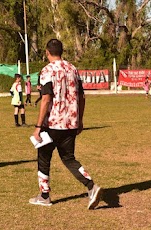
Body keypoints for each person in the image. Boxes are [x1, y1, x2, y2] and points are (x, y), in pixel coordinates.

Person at [29, 39, 102, 209]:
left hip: (53, 123)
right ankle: (92, 187)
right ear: (62, 51)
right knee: (69, 158)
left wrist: (38, 126)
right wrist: (80, 120)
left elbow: (46, 98)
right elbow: (82, 97)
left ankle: (44, 195)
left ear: (47, 52)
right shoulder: (73, 69)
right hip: (71, 122)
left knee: (43, 156)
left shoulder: (47, 70)